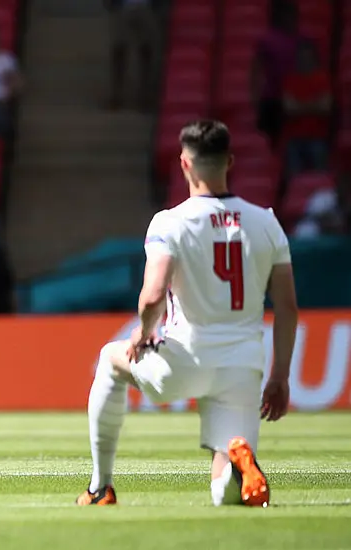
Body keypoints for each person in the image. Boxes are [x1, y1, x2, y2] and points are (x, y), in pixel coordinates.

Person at [76, 120, 297, 507]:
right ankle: (235, 465)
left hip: (184, 358)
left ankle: (100, 487)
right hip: (242, 366)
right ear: (230, 161)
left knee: (109, 361)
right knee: (223, 490)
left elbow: (153, 295)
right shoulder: (267, 222)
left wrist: (142, 332)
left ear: (184, 164)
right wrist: (279, 377)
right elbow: (288, 308)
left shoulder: (170, 222)